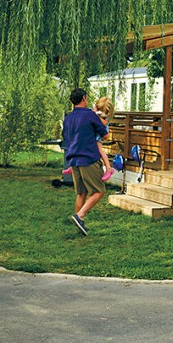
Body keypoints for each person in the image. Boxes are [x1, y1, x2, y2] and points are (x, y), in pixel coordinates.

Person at [62, 88, 108, 236]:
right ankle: (79, 216)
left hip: (73, 159)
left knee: (81, 192)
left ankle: (78, 224)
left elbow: (66, 137)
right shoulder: (89, 115)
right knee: (99, 191)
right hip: (88, 158)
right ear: (83, 98)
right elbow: (105, 135)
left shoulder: (68, 118)